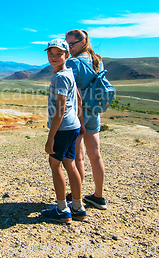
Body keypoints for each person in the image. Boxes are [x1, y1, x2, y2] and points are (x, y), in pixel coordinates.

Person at [41, 39, 87, 223]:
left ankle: (61, 209)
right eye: (50, 54)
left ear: (66, 55)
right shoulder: (69, 73)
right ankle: (78, 207)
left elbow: (60, 110)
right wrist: (81, 122)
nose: (53, 57)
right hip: (73, 126)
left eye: (58, 54)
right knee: (71, 164)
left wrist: (50, 138)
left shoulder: (59, 77)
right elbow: (78, 98)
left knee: (55, 165)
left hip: (62, 128)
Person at [65, 29, 107, 210]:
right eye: (67, 44)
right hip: (94, 111)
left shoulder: (73, 63)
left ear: (83, 42)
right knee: (95, 154)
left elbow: (68, 89)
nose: (69, 48)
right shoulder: (97, 60)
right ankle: (99, 196)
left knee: (79, 157)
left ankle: (77, 197)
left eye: (72, 44)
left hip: (79, 114)